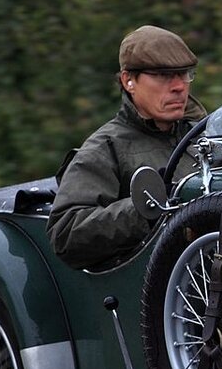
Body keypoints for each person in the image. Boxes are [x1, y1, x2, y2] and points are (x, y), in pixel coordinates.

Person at [47, 25, 208, 270]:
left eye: (184, 73)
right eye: (164, 75)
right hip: (158, 288)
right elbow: (66, 233)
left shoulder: (207, 137)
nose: (179, 86)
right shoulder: (105, 148)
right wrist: (147, 209)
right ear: (128, 80)